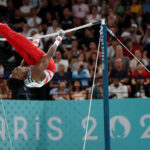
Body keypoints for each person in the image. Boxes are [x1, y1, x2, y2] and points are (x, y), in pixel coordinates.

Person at [0, 23, 64, 90]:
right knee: (23, 44)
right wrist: (58, 40)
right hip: (48, 66)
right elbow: (48, 56)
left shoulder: (21, 72)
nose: (13, 70)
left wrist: (35, 43)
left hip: (36, 66)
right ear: (19, 77)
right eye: (13, 74)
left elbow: (26, 57)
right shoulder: (35, 74)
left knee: (21, 50)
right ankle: (2, 28)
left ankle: (3, 30)